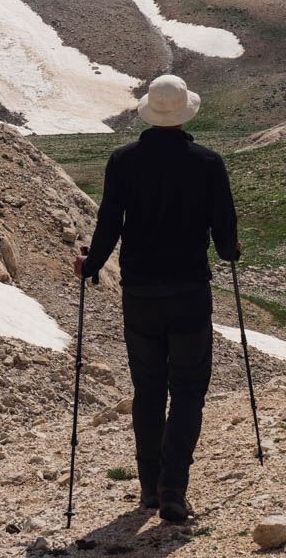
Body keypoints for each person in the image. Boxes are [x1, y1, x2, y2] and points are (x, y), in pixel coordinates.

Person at [75, 74, 239, 523]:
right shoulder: (208, 163)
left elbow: (108, 224)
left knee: (149, 389)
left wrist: (89, 266)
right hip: (189, 291)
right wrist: (231, 250)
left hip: (140, 293)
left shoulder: (123, 161)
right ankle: (172, 488)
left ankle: (148, 487)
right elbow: (225, 236)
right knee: (188, 391)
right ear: (185, 111)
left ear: (149, 109)